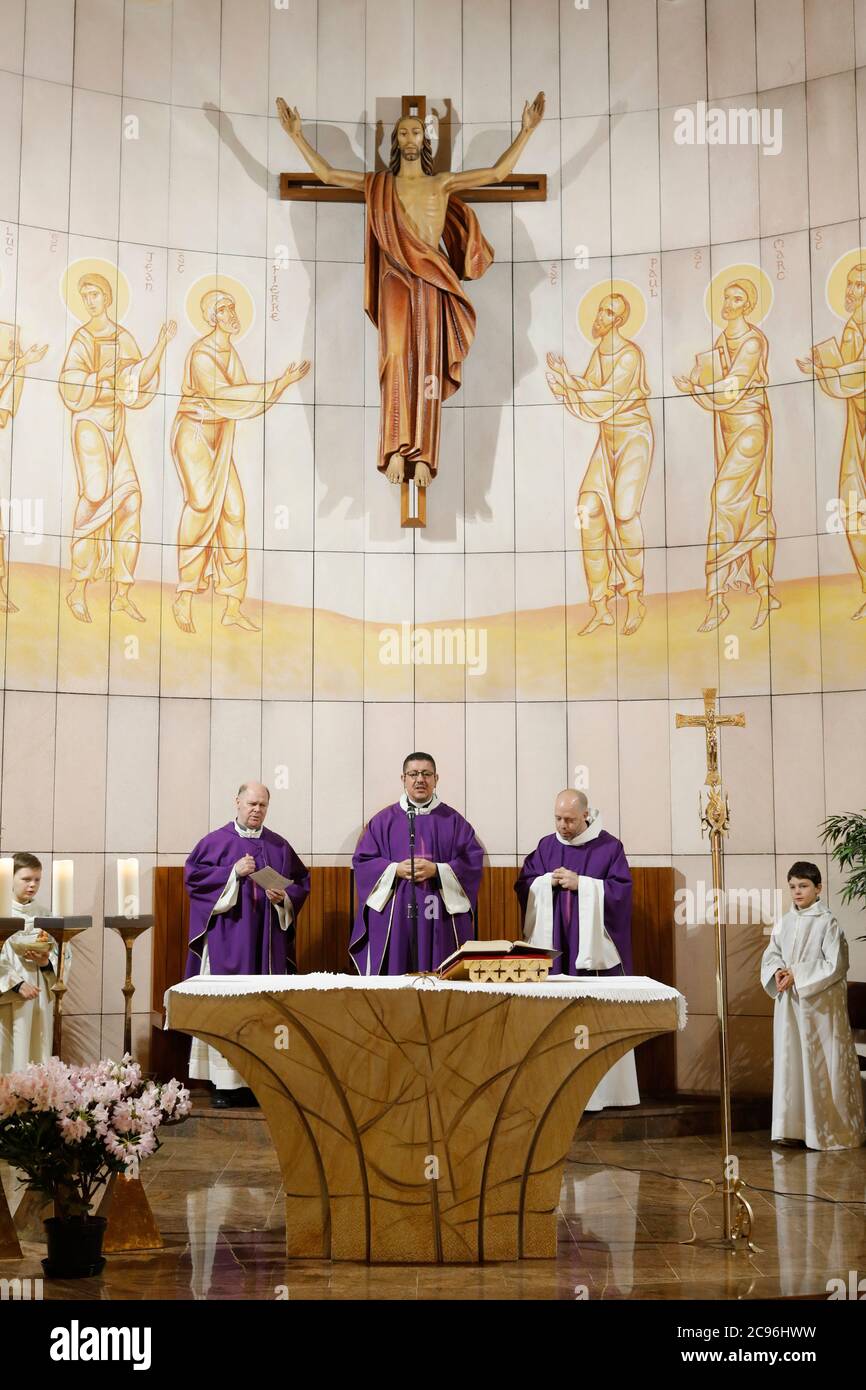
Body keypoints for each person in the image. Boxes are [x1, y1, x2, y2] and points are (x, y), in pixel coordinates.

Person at [276, 95, 544, 486]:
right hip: (395, 280)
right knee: (396, 358)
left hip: (433, 278)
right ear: (396, 142)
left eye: (415, 130)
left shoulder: (442, 183)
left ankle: (425, 455)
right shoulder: (379, 185)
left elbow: (499, 174)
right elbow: (330, 175)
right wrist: (296, 137)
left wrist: (527, 130)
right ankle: (395, 448)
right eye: (402, 131)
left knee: (430, 366)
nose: (409, 136)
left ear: (425, 139)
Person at [170, 290, 309, 634]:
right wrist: (279, 383)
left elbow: (243, 399)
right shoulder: (201, 354)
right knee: (201, 504)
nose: (232, 314)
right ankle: (185, 595)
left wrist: (278, 387)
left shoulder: (229, 353)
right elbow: (226, 396)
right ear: (212, 317)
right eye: (224, 309)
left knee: (233, 510)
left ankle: (232, 603)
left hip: (219, 436)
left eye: (232, 307)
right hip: (194, 435)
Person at [184, 782, 310, 1107]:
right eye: (251, 804)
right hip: (228, 940)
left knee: (262, 1010)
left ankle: (259, 1081)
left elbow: (301, 883)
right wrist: (232, 873)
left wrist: (284, 897)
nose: (256, 810)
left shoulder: (279, 846)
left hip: (267, 945)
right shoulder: (214, 842)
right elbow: (194, 880)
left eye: (262, 805)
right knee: (227, 1007)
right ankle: (224, 1084)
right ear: (236, 802)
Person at [515, 789, 639, 1110]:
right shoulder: (546, 846)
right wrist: (546, 883)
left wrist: (582, 884)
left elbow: (620, 894)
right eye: (557, 818)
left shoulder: (609, 847)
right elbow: (524, 883)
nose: (563, 826)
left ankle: (605, 1095)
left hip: (593, 960)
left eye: (569, 819)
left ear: (586, 815)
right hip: (557, 953)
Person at [546, 291, 654, 637]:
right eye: (601, 309)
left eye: (609, 312)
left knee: (624, 513)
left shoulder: (629, 355)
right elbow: (593, 389)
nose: (601, 316)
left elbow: (607, 397)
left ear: (619, 320)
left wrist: (568, 385)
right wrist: (568, 380)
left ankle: (635, 597)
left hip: (634, 436)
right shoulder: (599, 353)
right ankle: (601, 605)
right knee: (587, 509)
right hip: (607, 440)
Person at [760, 861, 865, 1150]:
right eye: (793, 886)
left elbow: (836, 965)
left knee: (818, 1065)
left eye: (803, 886)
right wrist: (778, 971)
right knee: (792, 1061)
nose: (797, 891)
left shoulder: (827, 922)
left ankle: (825, 1130)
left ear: (818, 888)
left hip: (819, 1008)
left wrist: (799, 974)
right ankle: (792, 1128)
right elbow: (772, 954)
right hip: (790, 1006)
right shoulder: (785, 921)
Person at [350, 753, 484, 974]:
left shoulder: (453, 821)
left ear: (436, 779)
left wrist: (438, 870)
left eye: (426, 774)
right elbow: (363, 862)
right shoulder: (383, 821)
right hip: (397, 915)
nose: (420, 779)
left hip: (439, 913)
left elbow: (471, 863)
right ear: (403, 778)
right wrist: (395, 869)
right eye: (413, 774)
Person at [0, 853, 70, 1070]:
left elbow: (64, 953)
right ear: (10, 879)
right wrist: (16, 984)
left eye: (37, 880)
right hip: (9, 997)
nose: (32, 885)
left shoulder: (45, 915)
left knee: (36, 1054)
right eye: (26, 879)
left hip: (38, 996)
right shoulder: (3, 912)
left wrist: (45, 962)